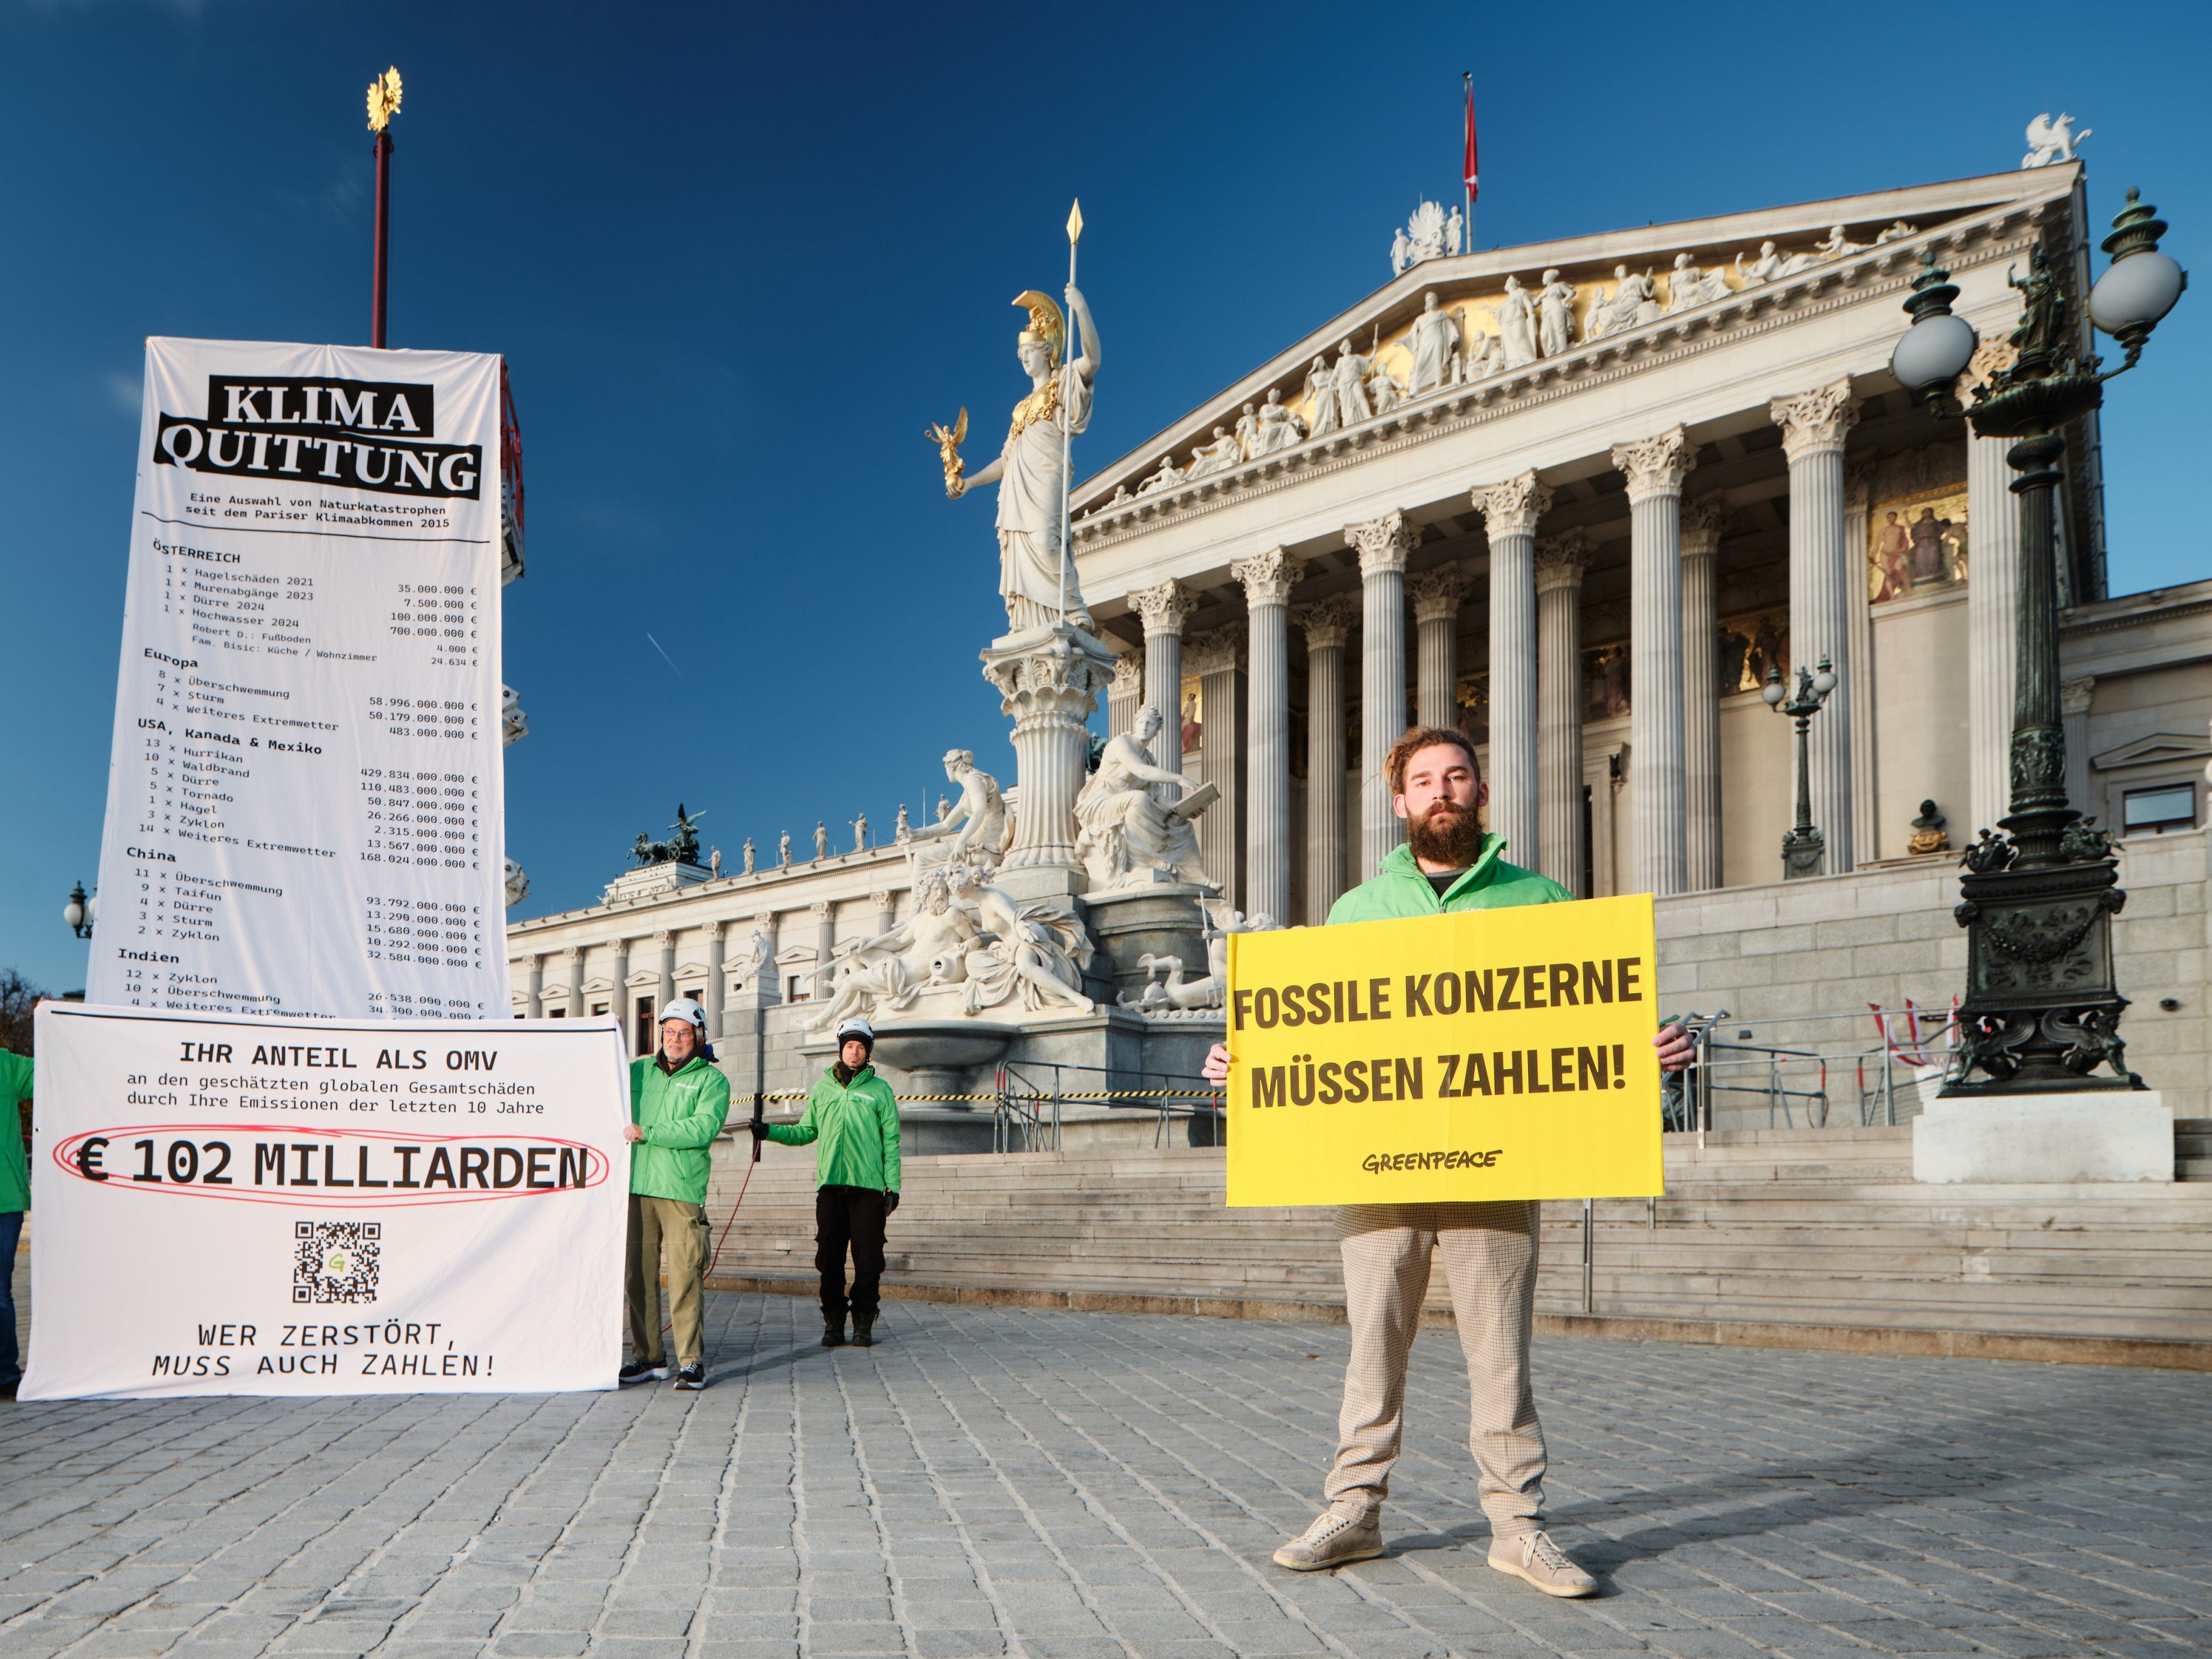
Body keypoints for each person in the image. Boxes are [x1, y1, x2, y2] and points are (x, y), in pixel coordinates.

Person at [1202, 726, 1695, 1594]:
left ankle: (1518, 1527)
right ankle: (1354, 1509)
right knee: (1372, 1346)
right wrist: (1241, 1067)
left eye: (1456, 776)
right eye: (1424, 780)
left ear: (1481, 791)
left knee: (1500, 1351)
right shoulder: (1356, 912)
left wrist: (1641, 1058)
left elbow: (1579, 1030)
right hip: (1374, 1170)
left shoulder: (1541, 901)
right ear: (1400, 802)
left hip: (1499, 1168)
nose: (1441, 791)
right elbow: (1316, 1038)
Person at [758, 1016, 902, 1349]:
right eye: (849, 1046)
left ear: (868, 1053)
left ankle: (863, 1322)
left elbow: (891, 1142)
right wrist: (770, 1132)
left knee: (868, 1261)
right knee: (829, 1260)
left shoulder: (880, 1090)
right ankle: (834, 1321)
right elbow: (806, 1131)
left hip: (868, 1188)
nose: (854, 1052)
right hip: (830, 1188)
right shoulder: (823, 1088)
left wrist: (892, 1187)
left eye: (860, 1047)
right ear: (841, 1049)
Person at [620, 998, 731, 1392]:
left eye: (684, 1033)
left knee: (685, 1276)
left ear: (698, 1037)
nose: (675, 1039)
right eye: (669, 1032)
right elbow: (602, 1076)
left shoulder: (711, 1081)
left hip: (681, 1189)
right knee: (638, 1277)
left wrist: (650, 1132)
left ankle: (691, 1362)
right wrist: (608, 1035)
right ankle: (649, 1358)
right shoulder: (639, 1072)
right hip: (636, 1188)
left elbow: (702, 1128)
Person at [1, 1040, 30, 1399]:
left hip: (3, 1198)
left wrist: (52, 1021)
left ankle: (5, 1374)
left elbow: (55, 1070)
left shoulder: (6, 1067)